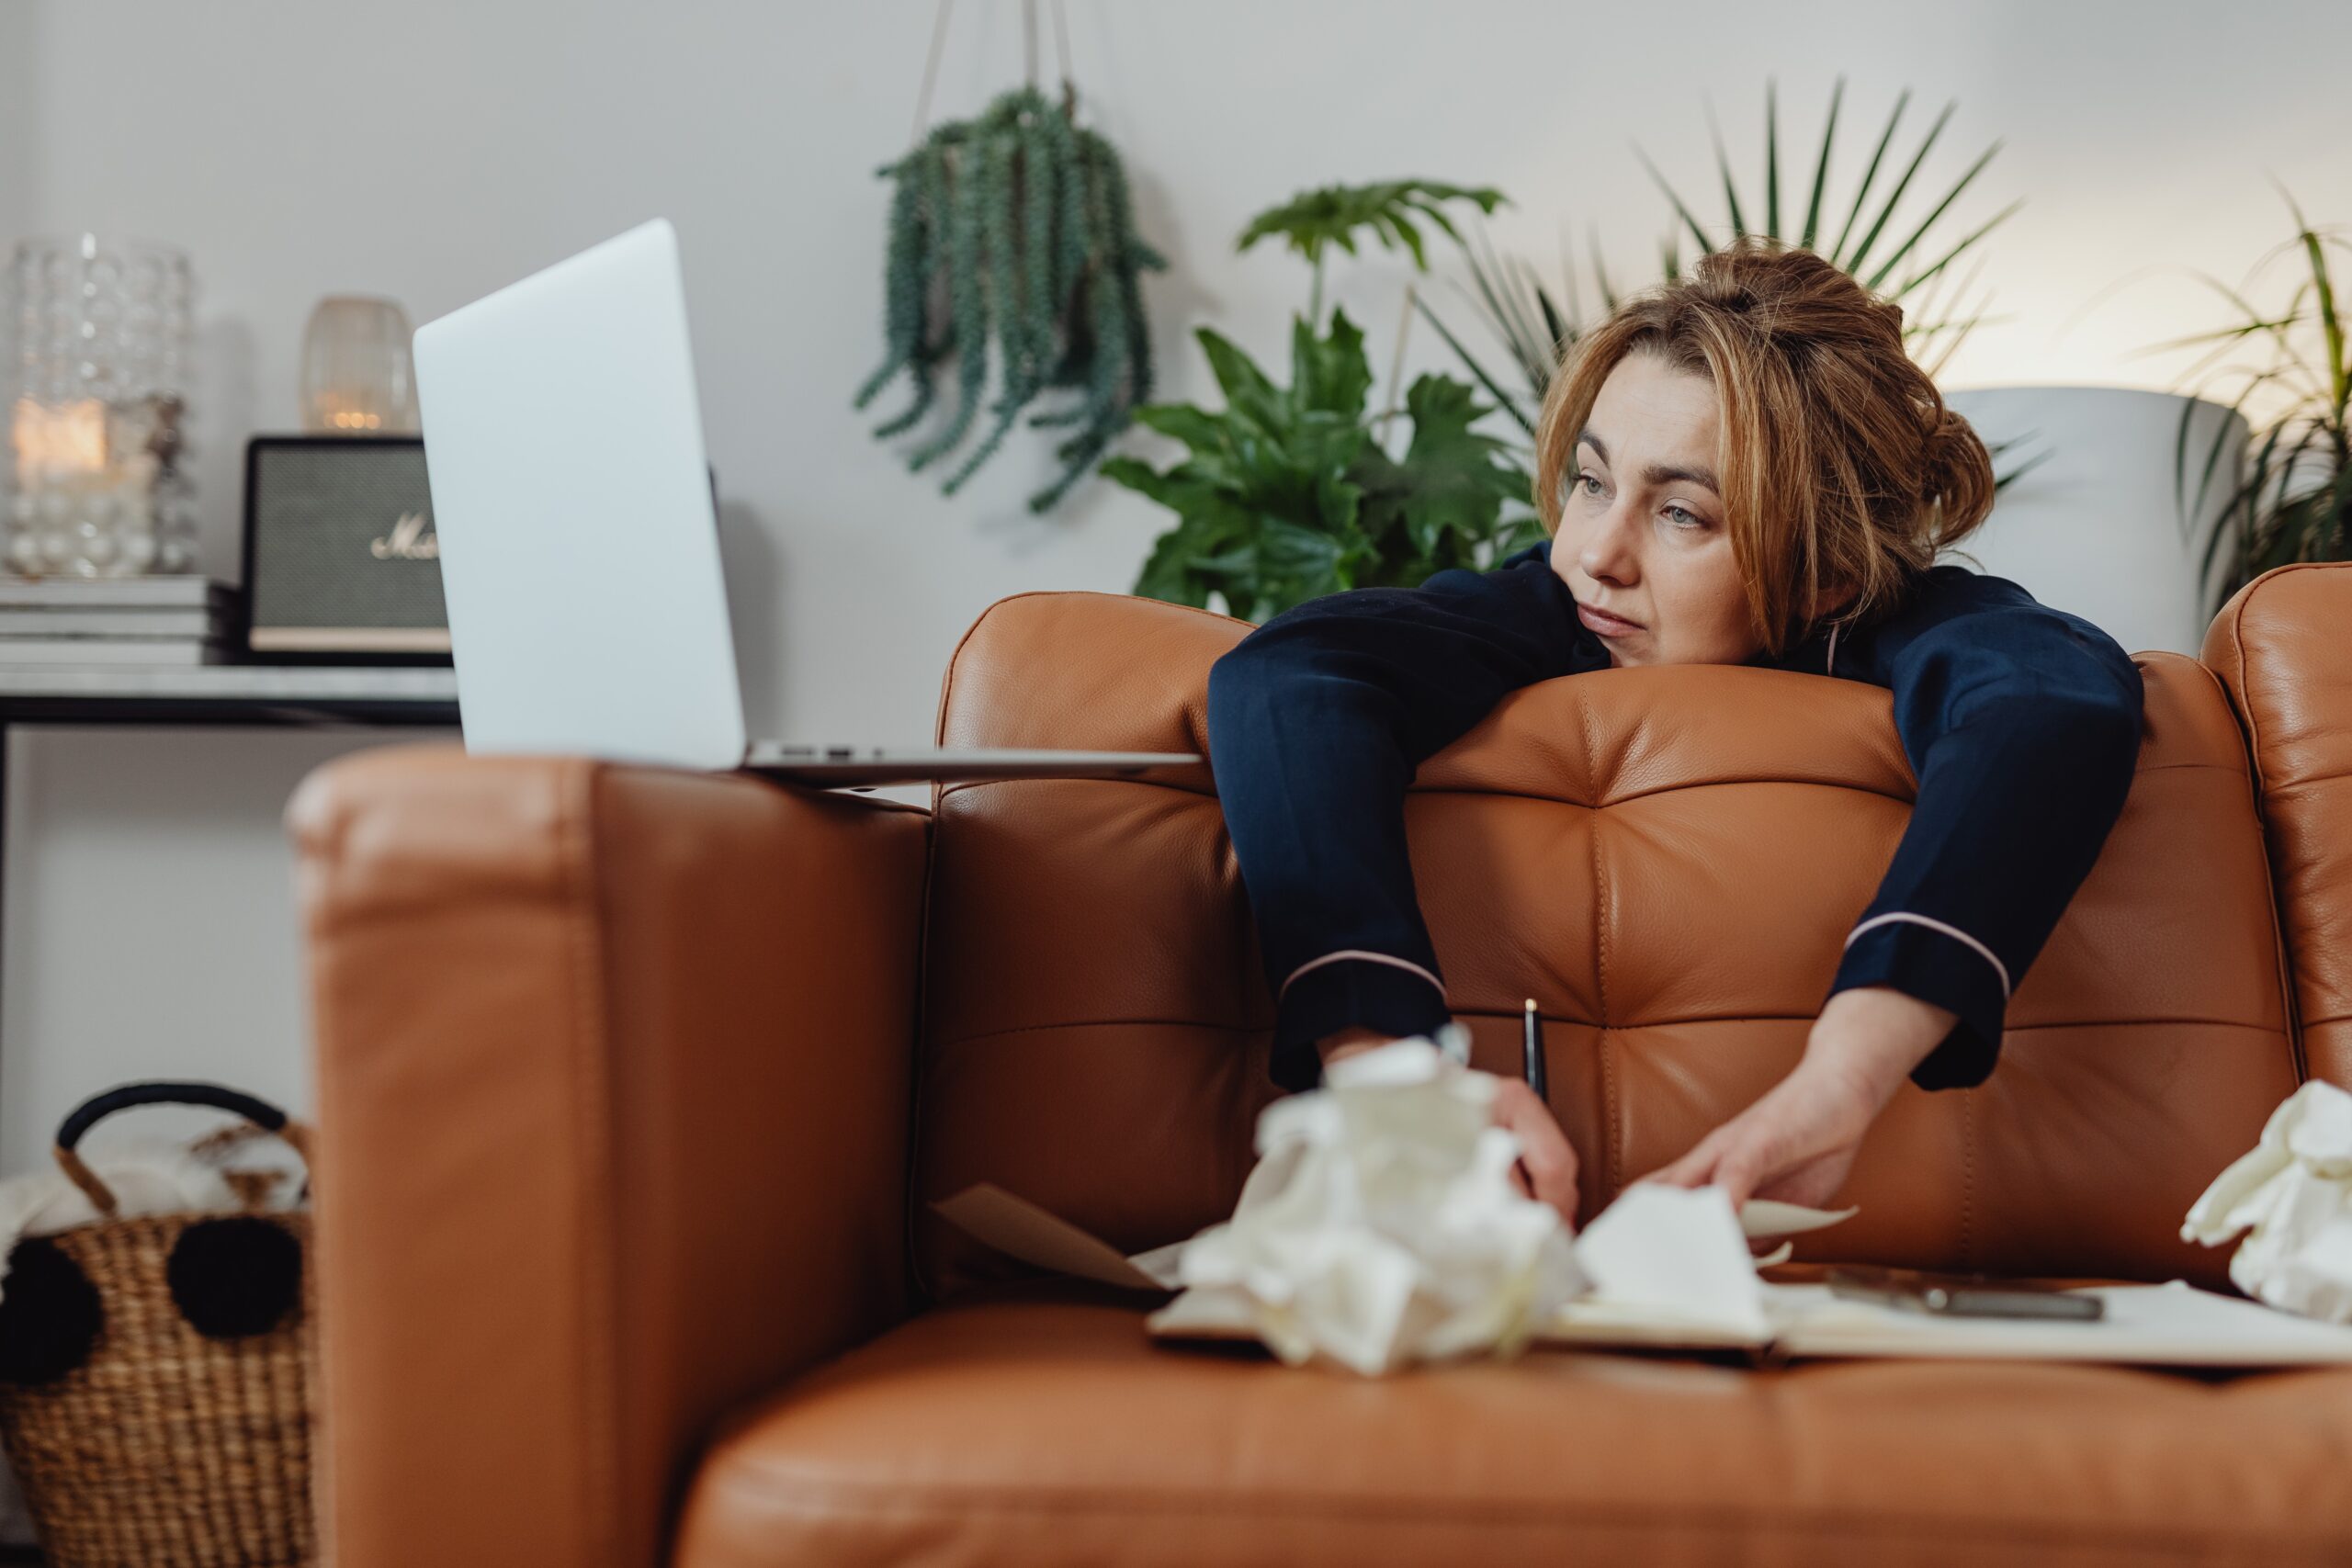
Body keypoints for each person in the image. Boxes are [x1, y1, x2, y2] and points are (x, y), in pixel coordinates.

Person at [1204, 240, 2144, 1226]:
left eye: (1682, 514)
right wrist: (1390, 1078)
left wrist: (1840, 1080)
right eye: (1592, 480)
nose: (1595, 555)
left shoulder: (1884, 620)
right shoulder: (1554, 604)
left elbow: (2053, 697)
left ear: (1825, 570)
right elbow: (1286, 676)